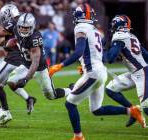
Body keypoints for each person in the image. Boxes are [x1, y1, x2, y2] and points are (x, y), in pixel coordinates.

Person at [49, 4, 145, 140]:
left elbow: (79, 51)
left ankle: (78, 137)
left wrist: (60, 65)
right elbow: (95, 53)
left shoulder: (81, 27)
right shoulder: (94, 30)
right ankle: (132, 111)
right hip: (99, 71)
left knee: (70, 104)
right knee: (96, 109)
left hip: (93, 73)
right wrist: (85, 64)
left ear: (79, 16)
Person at [7, 13, 70, 102]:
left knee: (51, 95)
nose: (23, 30)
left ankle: (70, 89)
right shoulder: (16, 30)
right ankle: (29, 99)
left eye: (26, 28)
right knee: (11, 81)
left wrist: (26, 79)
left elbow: (35, 62)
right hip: (26, 65)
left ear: (32, 27)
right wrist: (12, 41)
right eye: (21, 27)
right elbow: (17, 39)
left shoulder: (35, 37)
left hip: (40, 68)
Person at [104, 15, 148, 127]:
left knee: (146, 106)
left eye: (113, 25)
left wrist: (100, 51)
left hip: (141, 73)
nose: (112, 27)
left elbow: (110, 58)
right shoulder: (131, 36)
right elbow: (145, 54)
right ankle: (133, 111)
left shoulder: (119, 36)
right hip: (136, 73)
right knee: (111, 89)